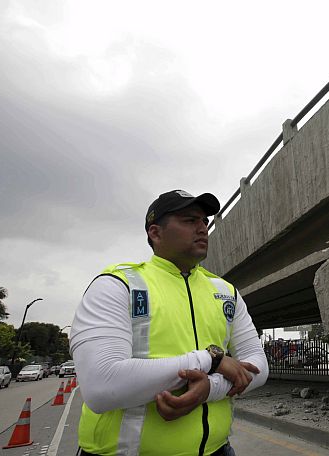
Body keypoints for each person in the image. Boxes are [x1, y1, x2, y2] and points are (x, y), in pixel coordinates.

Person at [70, 190, 268, 456]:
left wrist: (209, 389)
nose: (202, 228)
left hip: (217, 450)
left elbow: (259, 365)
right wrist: (211, 360)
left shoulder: (225, 291)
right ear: (155, 233)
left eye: (204, 221)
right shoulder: (117, 285)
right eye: (189, 220)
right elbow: (101, 386)